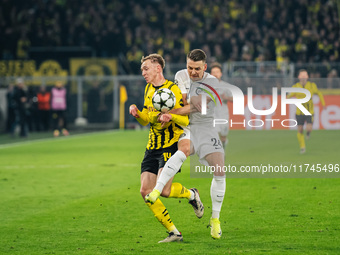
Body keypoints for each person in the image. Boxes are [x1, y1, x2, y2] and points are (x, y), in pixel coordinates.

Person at [146, 49, 226, 239]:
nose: (192, 72)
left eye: (197, 69)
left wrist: (171, 113)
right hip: (188, 127)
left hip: (206, 128)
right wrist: (168, 111)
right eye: (190, 67)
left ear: (204, 67)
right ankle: (157, 190)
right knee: (183, 149)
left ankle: (215, 219)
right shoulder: (180, 75)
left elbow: (193, 106)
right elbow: (181, 100)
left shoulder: (212, 82)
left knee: (220, 171)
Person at [129, 53, 204, 243]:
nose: (143, 73)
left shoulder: (173, 89)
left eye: (146, 69)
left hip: (171, 144)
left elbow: (186, 119)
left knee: (164, 191)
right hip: (152, 146)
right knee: (145, 191)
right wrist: (138, 113)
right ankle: (174, 232)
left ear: (157, 68)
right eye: (142, 70)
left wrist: (171, 116)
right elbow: (148, 118)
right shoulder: (148, 89)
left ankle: (191, 194)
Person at [287, 69, 326, 154]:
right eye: (302, 77)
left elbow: (319, 93)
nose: (303, 79)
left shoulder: (312, 86)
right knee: (300, 129)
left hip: (309, 112)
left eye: (305, 77)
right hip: (299, 112)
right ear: (299, 78)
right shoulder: (295, 86)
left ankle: (308, 133)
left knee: (309, 128)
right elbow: (289, 95)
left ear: (307, 78)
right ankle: (302, 147)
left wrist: (323, 104)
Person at [210, 62, 233, 149]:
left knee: (223, 136)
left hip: (223, 114)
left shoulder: (226, 86)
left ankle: (223, 144)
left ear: (221, 74)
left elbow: (234, 99)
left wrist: (226, 98)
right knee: (214, 135)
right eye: (213, 72)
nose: (215, 74)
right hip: (212, 115)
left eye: (217, 72)